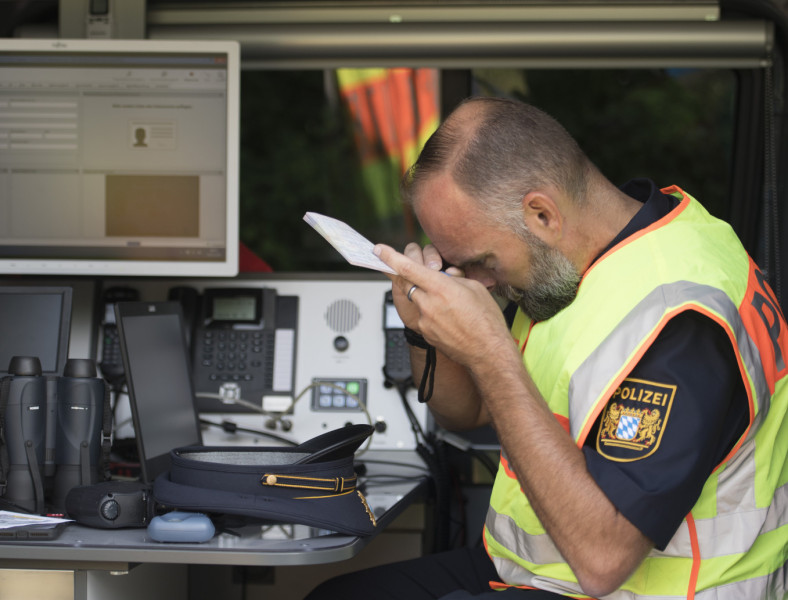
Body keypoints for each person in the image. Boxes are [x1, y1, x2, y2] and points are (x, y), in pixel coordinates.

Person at [306, 97, 788, 599]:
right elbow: (465, 412)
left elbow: (603, 560)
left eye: (481, 261)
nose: (477, 281)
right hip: (530, 568)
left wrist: (490, 351)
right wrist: (424, 330)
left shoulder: (677, 319)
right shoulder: (571, 262)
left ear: (541, 214)